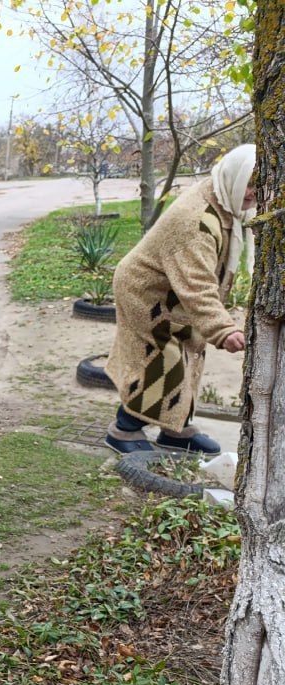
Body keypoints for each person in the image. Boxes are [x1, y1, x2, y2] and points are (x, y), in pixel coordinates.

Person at [104, 144, 255, 454]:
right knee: (161, 359)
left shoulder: (222, 198)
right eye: (250, 183)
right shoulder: (195, 220)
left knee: (191, 350)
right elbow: (196, 284)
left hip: (170, 289)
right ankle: (123, 431)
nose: (254, 192)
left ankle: (175, 430)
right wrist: (222, 329)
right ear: (234, 177)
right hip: (145, 291)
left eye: (260, 183)